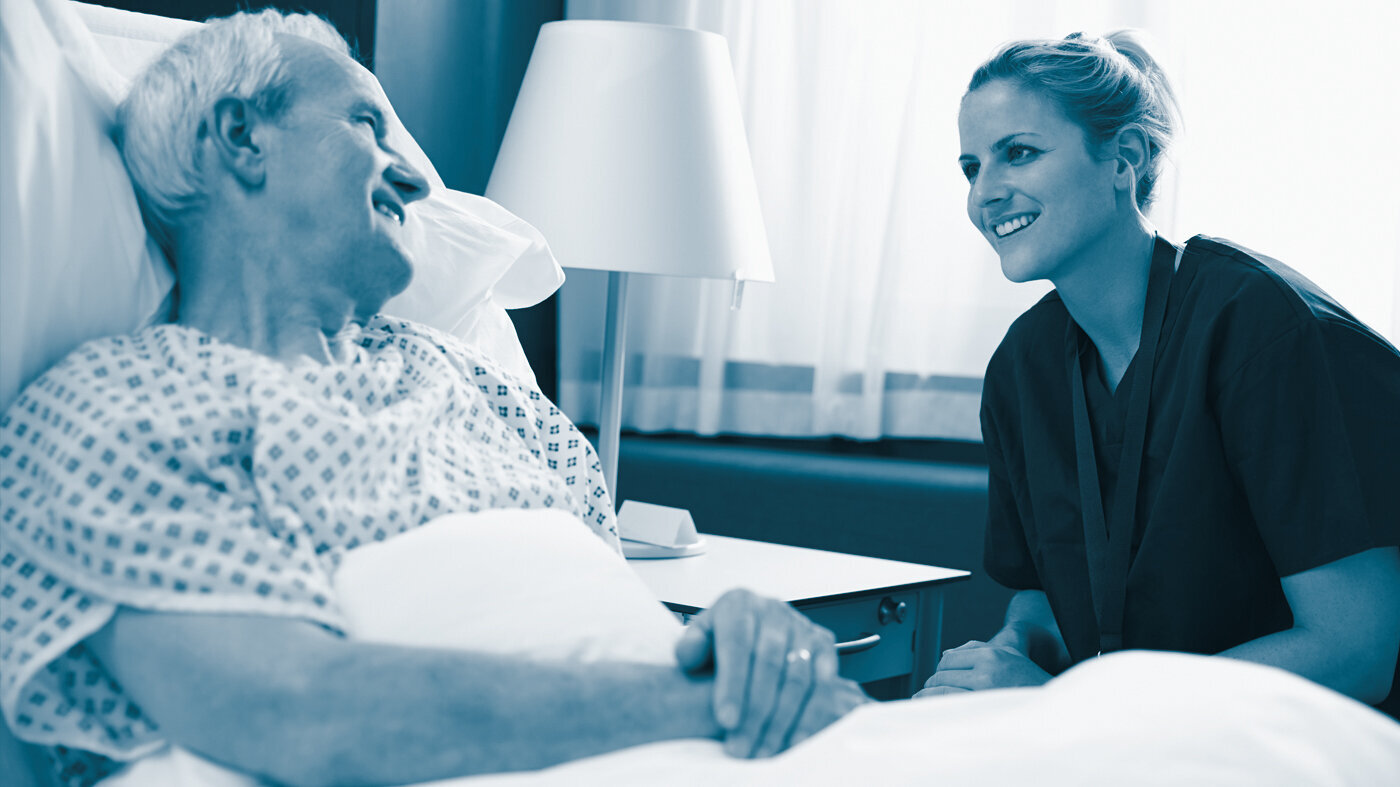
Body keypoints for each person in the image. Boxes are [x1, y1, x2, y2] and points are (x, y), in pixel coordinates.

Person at [0, 9, 865, 786]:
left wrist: (735, 641)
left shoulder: (485, 389)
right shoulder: (116, 406)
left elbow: (608, 620)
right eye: (366, 126)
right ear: (242, 137)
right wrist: (707, 705)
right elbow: (295, 713)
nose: (415, 180)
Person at [919, 31, 1400, 718]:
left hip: (1310, 742)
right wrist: (1009, 656)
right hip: (1135, 738)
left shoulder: (1262, 329)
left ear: (1126, 158)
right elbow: (1047, 597)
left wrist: (1077, 710)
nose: (984, 195)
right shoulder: (1022, 366)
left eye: (1018, 152)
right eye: (972, 167)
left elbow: (1355, 649)